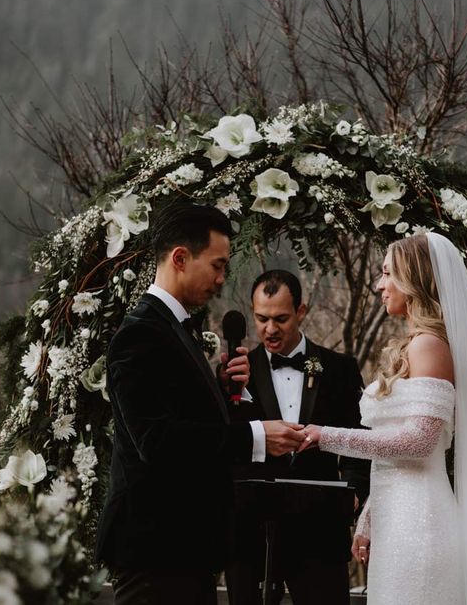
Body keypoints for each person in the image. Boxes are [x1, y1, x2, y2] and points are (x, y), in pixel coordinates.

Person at [95, 202, 308, 605]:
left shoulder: (171, 327)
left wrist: (221, 389)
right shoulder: (141, 333)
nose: (222, 279)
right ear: (180, 258)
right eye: (217, 265)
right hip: (155, 551)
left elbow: (181, 417)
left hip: (183, 550)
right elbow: (157, 442)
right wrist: (256, 436)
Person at [301, 233, 467, 604]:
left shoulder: (429, 346)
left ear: (413, 280)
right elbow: (395, 451)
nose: (379, 285)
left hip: (421, 528)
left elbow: (419, 443)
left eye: (387, 273)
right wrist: (370, 516)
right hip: (398, 525)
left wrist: (326, 437)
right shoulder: (418, 343)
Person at [225, 270, 370, 605]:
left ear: (301, 312)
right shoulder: (237, 372)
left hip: (319, 532)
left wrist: (352, 494)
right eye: (261, 319)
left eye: (281, 319)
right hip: (251, 534)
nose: (270, 329)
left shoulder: (339, 369)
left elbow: (358, 440)